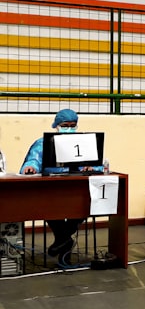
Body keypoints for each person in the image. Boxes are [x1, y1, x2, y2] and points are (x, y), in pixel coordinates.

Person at [19, 109, 103, 258]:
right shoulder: (42, 143)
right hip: (51, 189)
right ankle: (64, 240)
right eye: (65, 125)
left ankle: (62, 240)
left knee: (85, 205)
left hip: (75, 188)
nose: (69, 128)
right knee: (47, 207)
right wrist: (30, 167)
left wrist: (92, 168)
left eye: (73, 125)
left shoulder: (83, 143)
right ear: (56, 125)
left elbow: (96, 163)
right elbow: (34, 159)